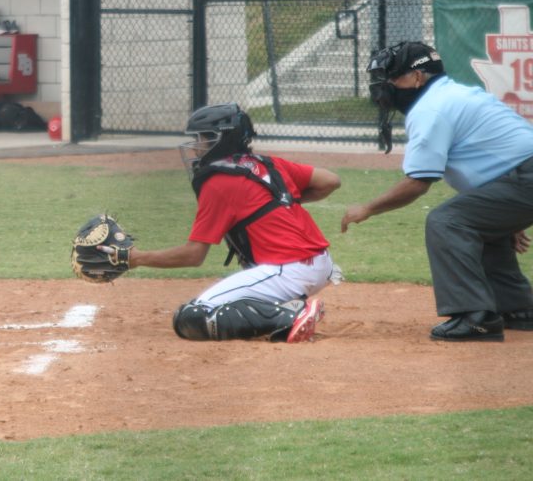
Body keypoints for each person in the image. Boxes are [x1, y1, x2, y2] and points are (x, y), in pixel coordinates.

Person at [341, 41, 533, 342]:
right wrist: (507, 217)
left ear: (417, 77)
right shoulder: (453, 94)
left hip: (523, 179)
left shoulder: (431, 109)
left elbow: (418, 183)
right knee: (476, 224)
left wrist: (368, 208)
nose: (385, 86)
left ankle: (475, 317)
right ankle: (517, 309)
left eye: (392, 78)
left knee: (448, 222)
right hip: (520, 178)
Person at [126, 104, 342, 343]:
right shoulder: (266, 163)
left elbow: (193, 255)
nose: (197, 145)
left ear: (224, 139)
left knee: (193, 317)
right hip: (318, 262)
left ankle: (293, 315)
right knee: (235, 303)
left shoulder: (219, 181)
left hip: (288, 269)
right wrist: (283, 201)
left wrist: (135, 258)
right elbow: (330, 180)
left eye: (203, 138)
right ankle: (286, 307)